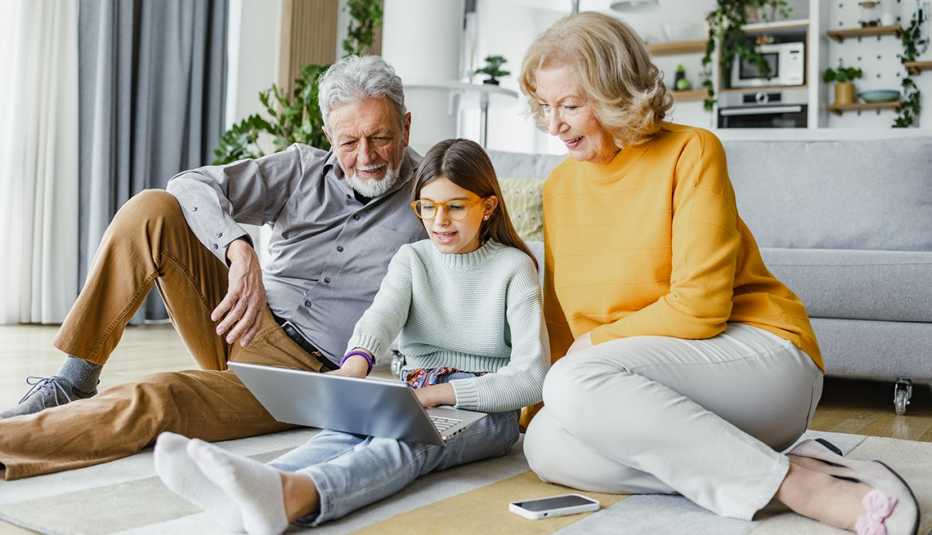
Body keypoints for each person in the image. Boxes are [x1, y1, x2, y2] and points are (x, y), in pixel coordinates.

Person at [518, 12, 918, 535]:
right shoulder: (559, 188)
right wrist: (533, 401)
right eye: (545, 108)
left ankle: (801, 489)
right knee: (546, 443)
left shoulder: (691, 150)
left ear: (615, 92)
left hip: (757, 358)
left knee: (575, 379)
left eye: (570, 105)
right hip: (630, 381)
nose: (555, 125)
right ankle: (788, 470)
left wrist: (584, 357)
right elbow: (560, 319)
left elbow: (699, 308)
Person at [0, 55, 430, 480]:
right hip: (236, 318)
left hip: (304, 375)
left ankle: (8, 443)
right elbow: (189, 184)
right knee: (151, 210)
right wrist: (237, 248)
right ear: (328, 136)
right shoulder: (301, 169)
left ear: (405, 126)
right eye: (349, 142)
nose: (366, 156)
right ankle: (74, 381)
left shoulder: (433, 200)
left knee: (159, 396)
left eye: (380, 137)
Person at [152, 138, 550, 534]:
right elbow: (379, 318)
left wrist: (438, 395)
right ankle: (249, 487)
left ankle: (297, 495)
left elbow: (533, 379)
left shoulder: (514, 268)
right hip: (414, 391)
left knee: (406, 445)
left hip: (484, 407)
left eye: (455, 207)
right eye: (427, 208)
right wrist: (354, 366)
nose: (439, 221)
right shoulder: (412, 258)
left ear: (489, 207)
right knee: (344, 432)